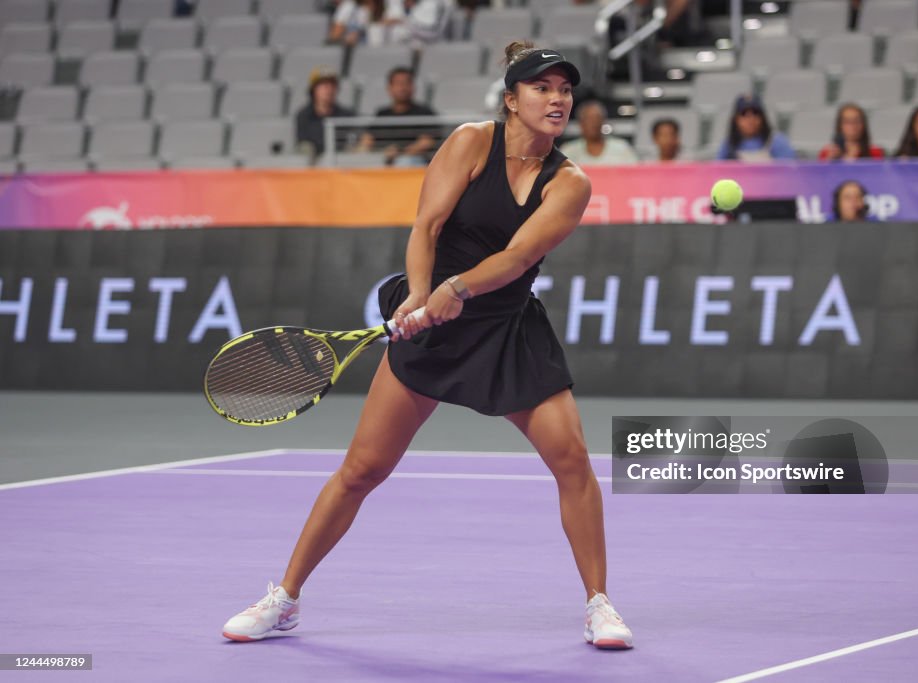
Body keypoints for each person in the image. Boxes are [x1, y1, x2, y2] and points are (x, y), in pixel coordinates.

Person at [222, 41, 634, 651]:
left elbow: (519, 256)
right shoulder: (470, 142)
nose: (557, 100)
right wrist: (420, 296)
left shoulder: (569, 183)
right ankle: (284, 597)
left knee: (572, 462)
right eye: (543, 88)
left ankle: (600, 603)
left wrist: (457, 290)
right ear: (512, 100)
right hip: (434, 329)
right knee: (361, 470)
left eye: (565, 90)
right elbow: (426, 227)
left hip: (506, 331)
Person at [355, 66, 440, 166]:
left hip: (415, 163)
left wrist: (399, 153)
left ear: (413, 87)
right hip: (385, 161)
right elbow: (367, 139)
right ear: (389, 88)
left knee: (405, 162)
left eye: (406, 83)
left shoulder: (424, 113)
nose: (402, 88)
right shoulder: (382, 114)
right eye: (398, 84)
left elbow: (426, 142)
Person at [295, 67, 356, 160]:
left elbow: (355, 140)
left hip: (343, 166)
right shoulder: (303, 116)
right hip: (314, 169)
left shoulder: (347, 115)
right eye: (324, 85)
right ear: (313, 89)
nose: (329, 89)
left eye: (332, 85)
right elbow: (304, 145)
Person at [716, 94, 796, 161]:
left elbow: (788, 172)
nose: (750, 119)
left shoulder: (777, 142)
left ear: (762, 118)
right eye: (744, 114)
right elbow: (719, 171)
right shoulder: (729, 145)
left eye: (755, 113)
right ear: (736, 120)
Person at [559, 100, 639, 165]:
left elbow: (635, 174)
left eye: (597, 118)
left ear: (603, 121)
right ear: (581, 124)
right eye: (589, 119)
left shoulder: (622, 148)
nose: (594, 123)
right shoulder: (568, 151)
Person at [818, 104, 885, 161]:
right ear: (840, 125)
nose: (853, 125)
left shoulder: (875, 152)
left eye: (857, 121)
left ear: (863, 124)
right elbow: (821, 174)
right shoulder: (827, 152)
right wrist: (830, 162)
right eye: (847, 121)